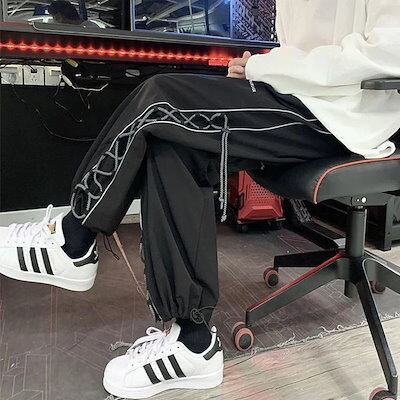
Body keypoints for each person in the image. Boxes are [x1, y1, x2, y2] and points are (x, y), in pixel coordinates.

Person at [1, 0, 399, 398]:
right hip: (301, 98)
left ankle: (74, 238)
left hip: (343, 117)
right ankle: (193, 341)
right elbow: (305, 52)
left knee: (160, 96)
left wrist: (266, 67)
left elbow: (386, 54)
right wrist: (269, 68)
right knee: (171, 142)